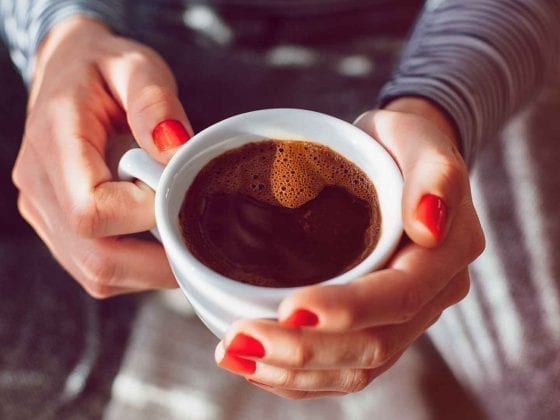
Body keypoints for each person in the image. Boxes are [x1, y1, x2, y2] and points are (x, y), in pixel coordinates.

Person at [1, 0, 558, 418]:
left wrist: (440, 105)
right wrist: (61, 35)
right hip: (137, 61)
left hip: (418, 62)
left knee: (545, 380)